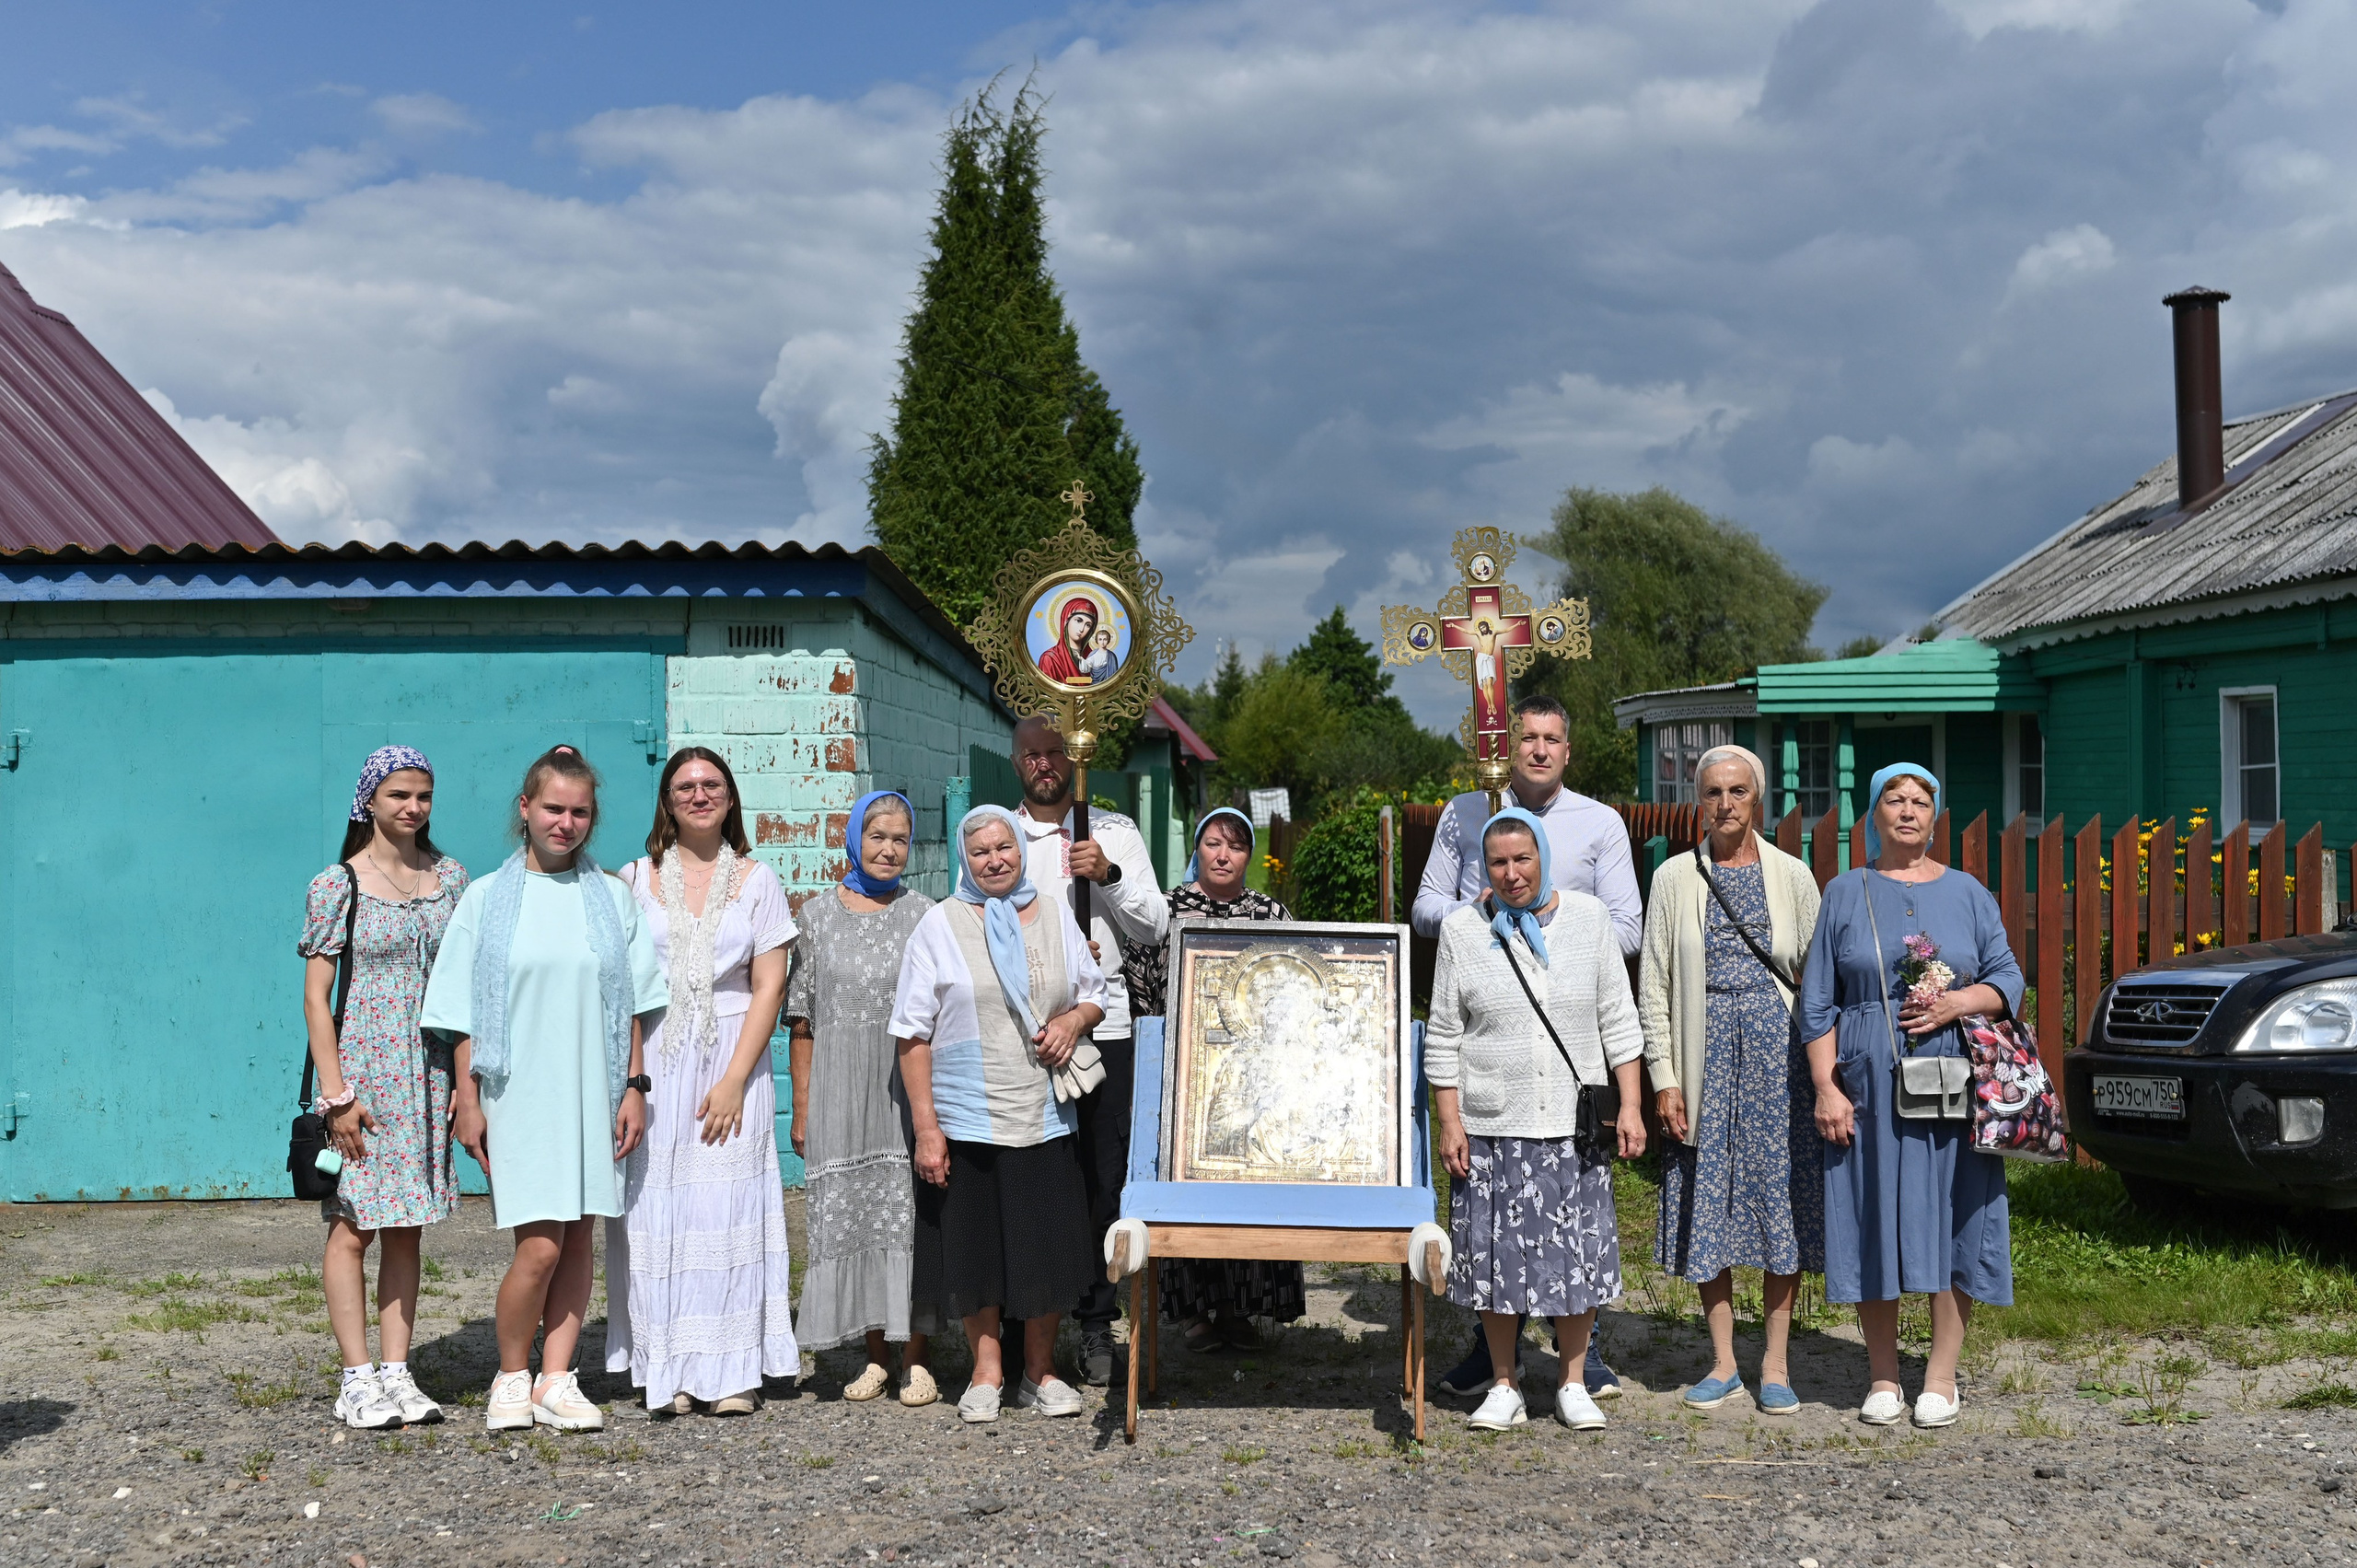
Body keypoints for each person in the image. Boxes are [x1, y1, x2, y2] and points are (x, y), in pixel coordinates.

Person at [425, 746, 667, 1434]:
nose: (566, 822)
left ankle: (557, 1378)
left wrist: (634, 1087)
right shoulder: (485, 899)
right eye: (554, 808)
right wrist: (468, 1099)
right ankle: (511, 1374)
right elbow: (462, 1010)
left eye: (580, 811)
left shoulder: (612, 899)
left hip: (594, 1087)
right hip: (517, 1091)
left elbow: (632, 1006)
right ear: (526, 809)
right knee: (539, 1245)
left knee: (580, 1236)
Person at [1411, 691, 1641, 1399]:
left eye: (1551, 738)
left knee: (1575, 1224)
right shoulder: (1464, 812)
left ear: (1568, 749)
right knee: (1497, 1230)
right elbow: (1426, 906)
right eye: (1526, 738)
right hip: (1494, 1041)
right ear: (1506, 746)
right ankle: (1497, 1360)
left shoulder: (1598, 823)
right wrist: (1487, 917)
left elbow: (1626, 930)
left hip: (1569, 1036)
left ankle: (1579, 1361)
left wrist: (1563, 923)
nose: (1538, 749)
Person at [1799, 764, 2022, 1429]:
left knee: (1957, 1212)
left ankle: (1942, 1377)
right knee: (1875, 1215)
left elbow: (2008, 977)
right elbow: (1817, 1004)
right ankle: (1883, 1375)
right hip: (1868, 1081)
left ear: (1935, 814)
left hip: (1954, 1078)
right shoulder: (1845, 891)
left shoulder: (1970, 892)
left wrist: (1958, 1000)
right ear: (1873, 812)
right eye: (1894, 799)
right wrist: (1824, 1087)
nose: (1907, 810)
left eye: (1921, 800)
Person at [891, 805, 1107, 1424]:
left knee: (1043, 1243)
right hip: (966, 1113)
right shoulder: (940, 924)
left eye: (1003, 847)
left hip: (1040, 1107)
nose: (994, 859)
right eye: (980, 850)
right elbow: (911, 1033)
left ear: (1019, 850)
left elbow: (1094, 990)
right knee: (975, 1244)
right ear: (966, 857)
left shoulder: (1055, 915)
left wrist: (1071, 1019)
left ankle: (1040, 1372)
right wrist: (926, 1127)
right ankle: (987, 1370)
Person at [605, 748, 799, 1416]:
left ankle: (734, 1369)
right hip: (657, 1056)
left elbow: (770, 983)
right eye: (684, 785)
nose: (698, 793)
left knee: (728, 1206)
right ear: (666, 799)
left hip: (732, 1052)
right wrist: (631, 1076)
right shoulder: (634, 878)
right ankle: (670, 1369)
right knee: (658, 1209)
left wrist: (735, 1078)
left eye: (711, 783)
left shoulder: (757, 879)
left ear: (731, 797)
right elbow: (624, 985)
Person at [1638, 745, 1823, 1414]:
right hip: (1701, 1052)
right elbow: (1653, 984)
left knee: (1780, 1199)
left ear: (1758, 799)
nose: (1725, 804)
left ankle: (1775, 1362)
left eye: (1738, 791)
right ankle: (1722, 1360)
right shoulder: (1673, 879)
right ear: (1698, 801)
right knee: (1706, 1201)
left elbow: (1820, 975)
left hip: (1780, 1058)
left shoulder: (1794, 875)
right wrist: (1665, 1075)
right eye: (1713, 791)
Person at [300, 745, 470, 1431]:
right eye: (399, 794)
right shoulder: (336, 885)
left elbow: (464, 989)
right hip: (363, 1079)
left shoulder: (452, 877)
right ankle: (355, 1377)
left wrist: (465, 1077)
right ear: (368, 799)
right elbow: (317, 1000)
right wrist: (337, 1096)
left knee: (405, 1228)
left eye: (423, 794)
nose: (413, 807)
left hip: (427, 1074)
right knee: (351, 1228)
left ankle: (398, 1372)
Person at [1009, 714, 1167, 1386]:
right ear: (1018, 761)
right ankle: (1030, 1317)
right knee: (1036, 1178)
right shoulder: (1001, 834)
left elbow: (1155, 925)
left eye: (1055, 752)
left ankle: (1097, 1320)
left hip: (1105, 1028)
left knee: (1104, 1177)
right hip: (1026, 1034)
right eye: (1033, 754)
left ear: (1075, 756)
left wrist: (1106, 873)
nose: (1046, 763)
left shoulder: (1115, 831)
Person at [1120, 807, 1305, 1352]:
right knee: (1188, 1189)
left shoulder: (1270, 913)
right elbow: (1143, 981)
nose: (1224, 856)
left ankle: (1240, 1308)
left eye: (1237, 846)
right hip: (1188, 1076)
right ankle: (1192, 1312)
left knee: (1247, 1186)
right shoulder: (1168, 912)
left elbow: (1295, 981)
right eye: (1214, 844)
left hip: (1256, 1079)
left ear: (1250, 856)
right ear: (1197, 850)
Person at [786, 789, 938, 1407]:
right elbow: (802, 1020)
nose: (889, 848)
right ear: (853, 838)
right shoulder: (816, 917)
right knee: (855, 1216)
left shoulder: (925, 913)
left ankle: (917, 1359)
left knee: (908, 1216)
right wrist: (801, 1106)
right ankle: (875, 1356)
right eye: (878, 835)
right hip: (841, 1092)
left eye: (901, 838)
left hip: (904, 1090)